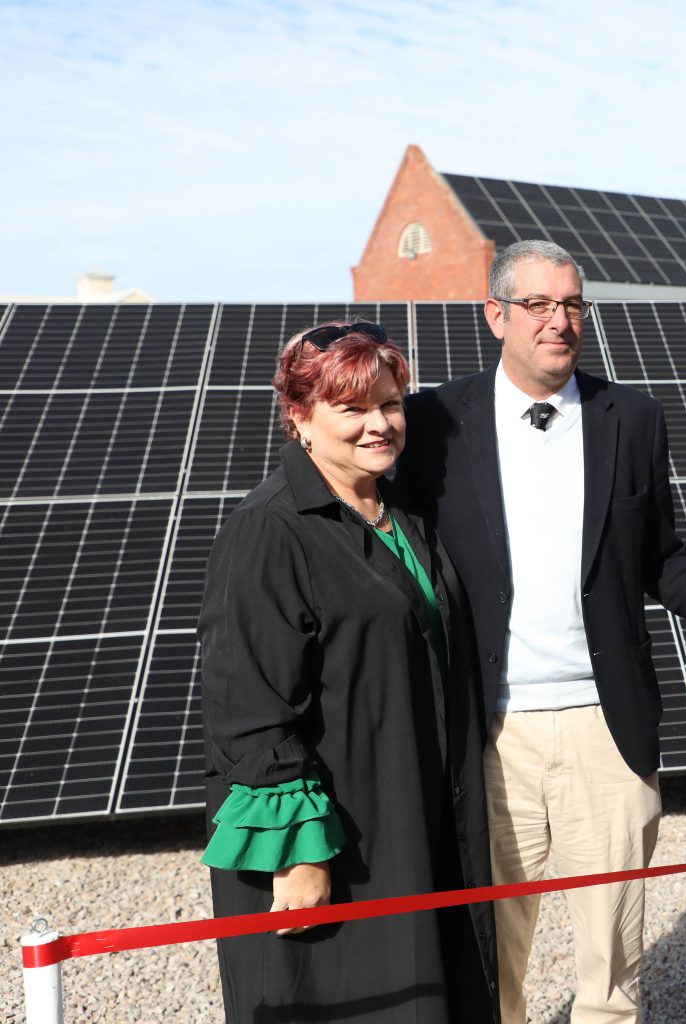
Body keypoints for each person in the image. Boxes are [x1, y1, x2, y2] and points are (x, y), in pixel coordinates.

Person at [396, 239, 686, 1024]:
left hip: (609, 726)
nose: (559, 322)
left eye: (572, 305)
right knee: (491, 958)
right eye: (538, 305)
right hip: (490, 730)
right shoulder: (434, 421)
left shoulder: (631, 418)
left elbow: (662, 560)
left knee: (613, 971)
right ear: (496, 314)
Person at [199, 321, 496, 1023]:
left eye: (390, 404)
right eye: (353, 408)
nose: (379, 425)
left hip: (412, 816)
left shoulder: (405, 516)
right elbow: (250, 708)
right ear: (300, 416)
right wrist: (299, 857)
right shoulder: (270, 529)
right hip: (335, 838)